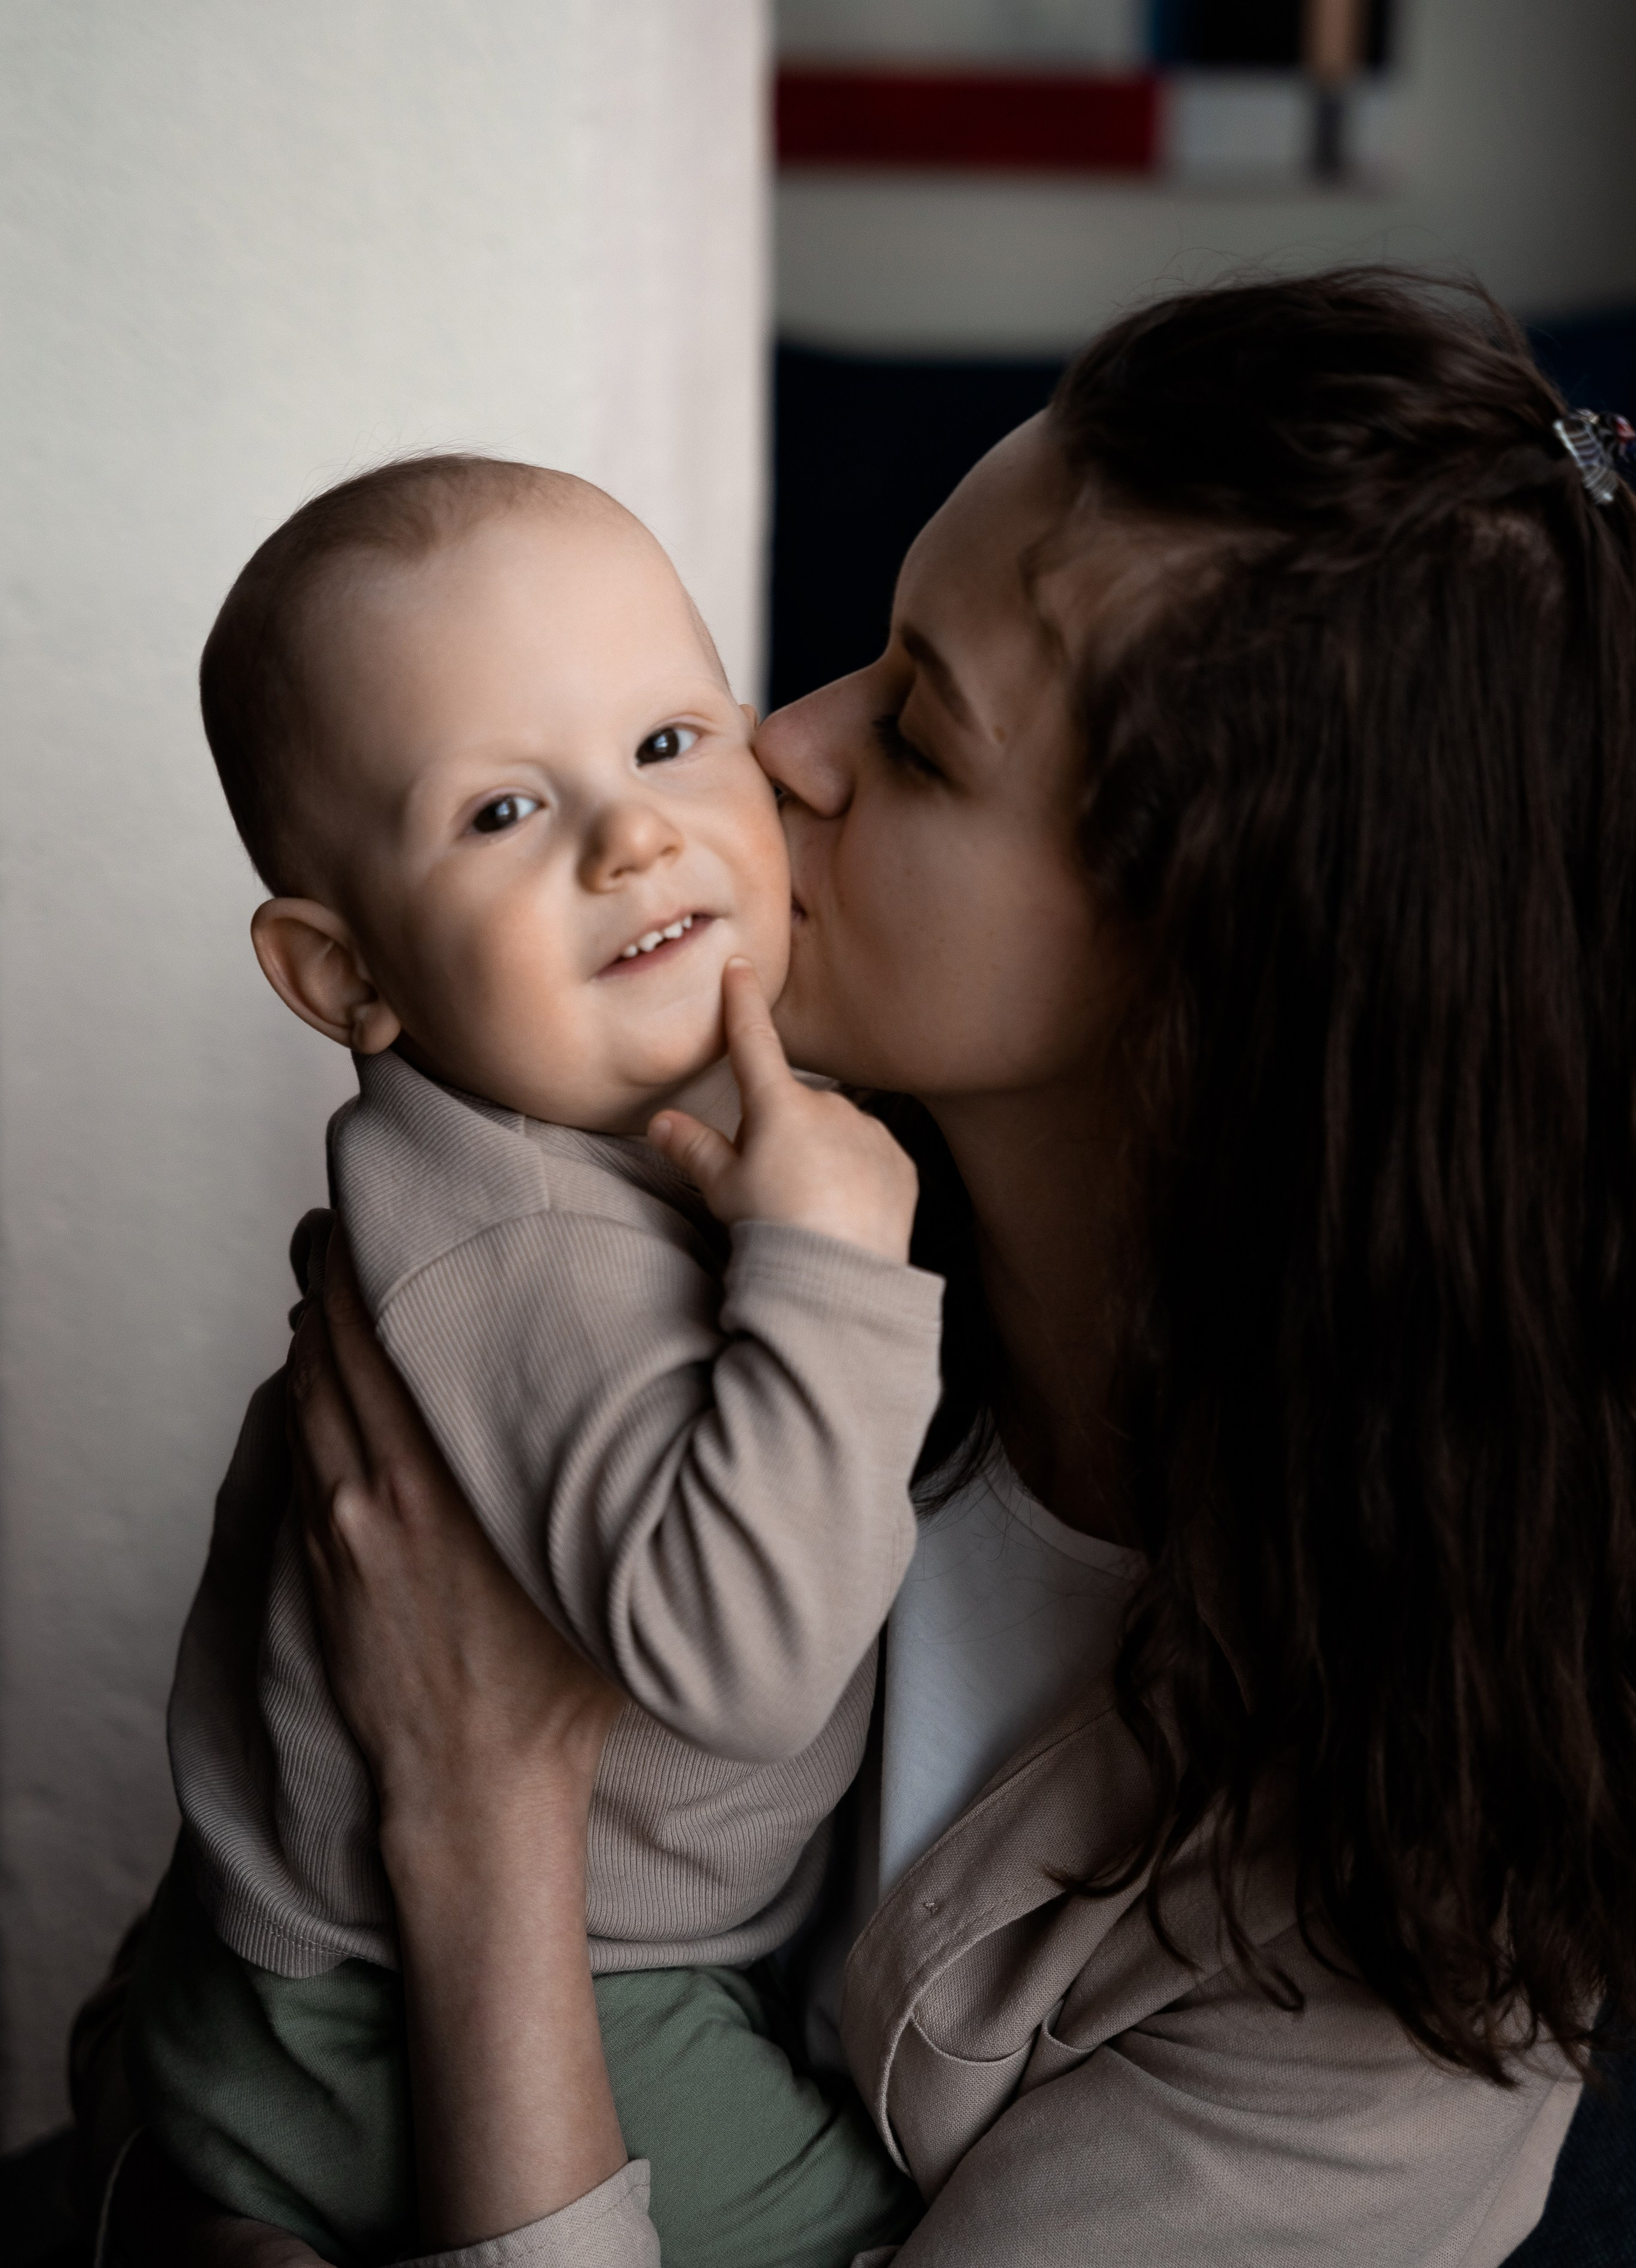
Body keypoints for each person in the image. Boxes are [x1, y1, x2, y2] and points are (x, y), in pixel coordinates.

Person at [105, 270, 1636, 2264]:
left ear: (1214, 975)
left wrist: (480, 1827)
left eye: (915, 733)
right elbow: (216, 1985)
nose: (772, 746)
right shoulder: (640, 1202)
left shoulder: (1403, 1956)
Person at [121, 459, 941, 2265]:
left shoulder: (604, 1125)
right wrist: (835, 1262)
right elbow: (739, 1662)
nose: (630, 840)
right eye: (502, 808)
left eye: (667, 744)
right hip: (428, 2006)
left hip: (467, 1956)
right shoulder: (524, 1239)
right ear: (346, 982)